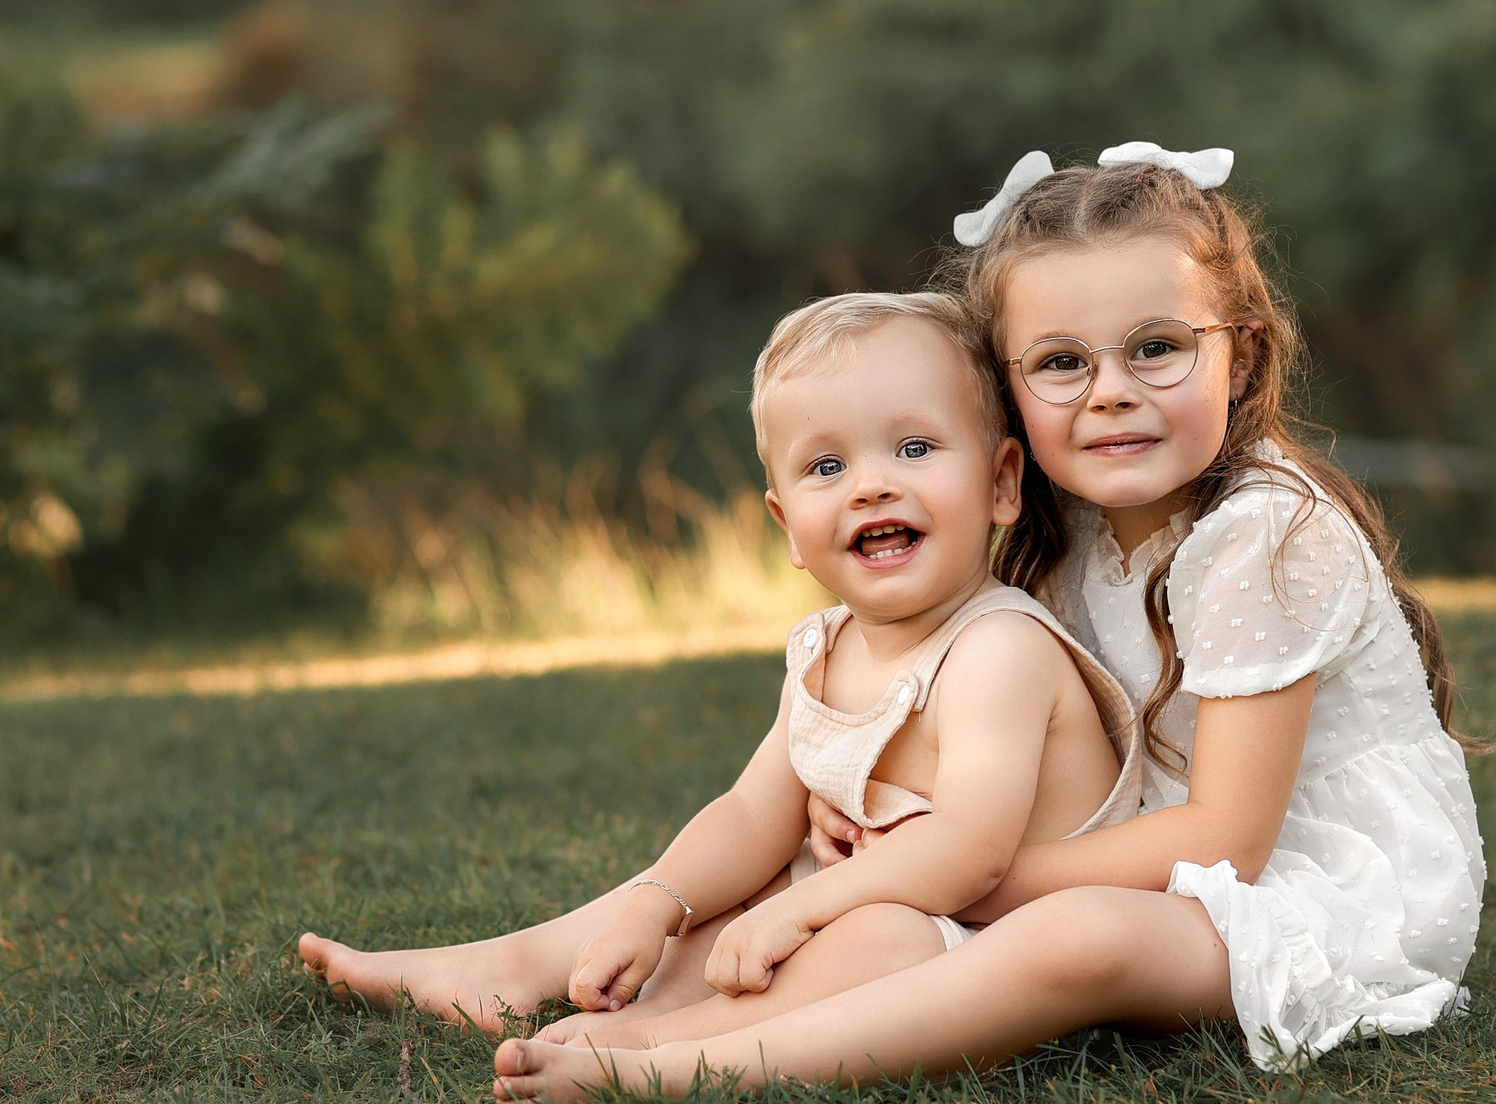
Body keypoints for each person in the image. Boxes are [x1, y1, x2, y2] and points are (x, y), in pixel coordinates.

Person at [491, 141, 1487, 1104]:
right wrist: (887, 824)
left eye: (1156, 348)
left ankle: (677, 1062)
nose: (1110, 392)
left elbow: (1230, 840)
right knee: (852, 878)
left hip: (1313, 892)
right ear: (1009, 395)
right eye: (1061, 362)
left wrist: (965, 882)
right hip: (1134, 854)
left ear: (1243, 352)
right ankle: (561, 974)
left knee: (1069, 941)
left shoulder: (1265, 534)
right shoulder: (1072, 517)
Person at [298, 291, 1147, 1043]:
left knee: (873, 934)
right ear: (786, 524)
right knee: (724, 892)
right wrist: (657, 901)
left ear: (1004, 484)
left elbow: (971, 852)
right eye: (827, 466)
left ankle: (670, 1038)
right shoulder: (826, 647)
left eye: (916, 448)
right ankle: (515, 971)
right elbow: (752, 812)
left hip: (992, 940)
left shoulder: (999, 647)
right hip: (874, 899)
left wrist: (798, 907)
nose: (871, 487)